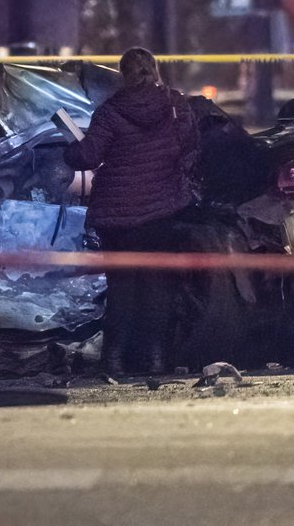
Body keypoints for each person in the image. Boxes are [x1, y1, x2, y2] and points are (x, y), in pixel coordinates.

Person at [65, 48, 198, 375]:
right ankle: (154, 360)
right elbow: (192, 149)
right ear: (154, 69)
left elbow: (88, 157)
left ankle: (114, 361)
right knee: (156, 286)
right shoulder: (176, 106)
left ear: (123, 74)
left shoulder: (111, 111)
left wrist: (69, 149)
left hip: (118, 216)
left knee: (122, 287)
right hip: (161, 211)